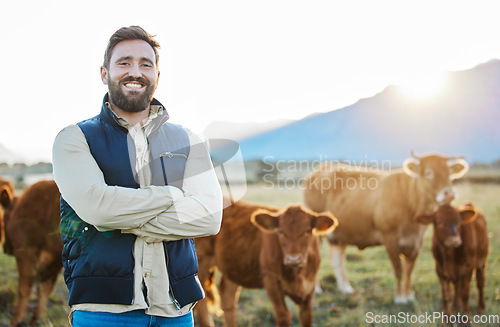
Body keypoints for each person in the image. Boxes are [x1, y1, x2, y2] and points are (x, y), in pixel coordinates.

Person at [52, 26, 223, 327]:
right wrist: (173, 197)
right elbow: (98, 209)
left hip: (176, 310)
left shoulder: (188, 139)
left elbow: (209, 218)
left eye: (146, 64)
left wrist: (122, 217)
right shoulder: (74, 138)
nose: (136, 71)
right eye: (124, 62)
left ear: (158, 75)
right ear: (104, 73)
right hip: (102, 311)